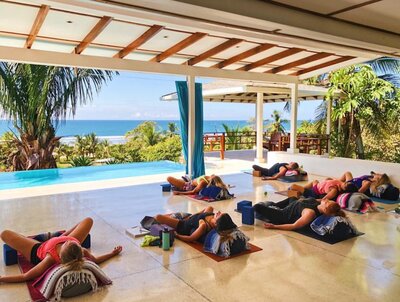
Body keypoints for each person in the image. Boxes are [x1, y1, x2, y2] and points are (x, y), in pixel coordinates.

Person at [0, 218, 122, 283]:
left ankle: (49, 238)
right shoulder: (79, 249)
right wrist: (112, 253)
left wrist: (2, 279)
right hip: (57, 240)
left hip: (38, 249)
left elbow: (26, 276)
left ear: (62, 252)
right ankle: (57, 237)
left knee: (5, 234)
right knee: (88, 220)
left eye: (67, 243)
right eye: (72, 242)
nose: (69, 241)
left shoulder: (49, 258)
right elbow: (95, 260)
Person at [254, 197, 347, 231]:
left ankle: (272, 207)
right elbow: (318, 200)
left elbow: (294, 226)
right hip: (291, 206)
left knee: (257, 207)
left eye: (327, 202)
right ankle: (273, 205)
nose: (326, 199)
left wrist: (274, 226)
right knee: (293, 198)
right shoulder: (319, 203)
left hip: (282, 215)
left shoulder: (310, 213)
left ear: (325, 209)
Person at [154, 206, 233, 243]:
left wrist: (177, 235)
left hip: (181, 225)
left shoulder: (203, 226)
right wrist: (192, 215)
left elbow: (191, 238)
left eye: (219, 215)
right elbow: (205, 210)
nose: (219, 212)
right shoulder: (211, 215)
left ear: (216, 223)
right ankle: (172, 216)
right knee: (210, 207)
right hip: (189, 217)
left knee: (158, 217)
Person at [289, 178, 358, 201]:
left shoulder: (334, 190)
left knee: (293, 186)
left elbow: (323, 200)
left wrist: (311, 200)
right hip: (316, 186)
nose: (344, 183)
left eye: (345, 185)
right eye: (346, 183)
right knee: (314, 181)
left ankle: (301, 192)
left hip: (313, 192)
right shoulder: (340, 183)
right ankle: (301, 191)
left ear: (345, 189)